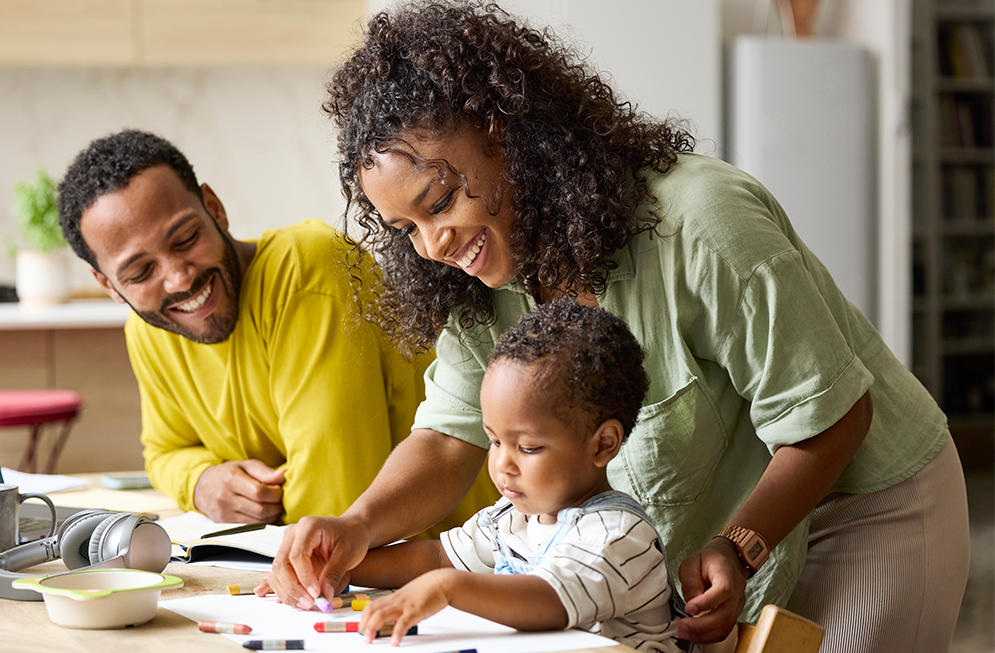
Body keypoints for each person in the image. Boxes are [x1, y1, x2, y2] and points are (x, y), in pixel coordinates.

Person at [264, 2, 970, 652]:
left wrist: (739, 542)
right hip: (727, 545)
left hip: (865, 504)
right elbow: (449, 438)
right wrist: (355, 527)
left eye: (441, 200)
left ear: (501, 129)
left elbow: (832, 415)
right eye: (405, 228)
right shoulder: (480, 278)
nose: (433, 244)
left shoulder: (702, 223)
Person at [56, 128, 498, 530]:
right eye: (139, 271)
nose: (178, 279)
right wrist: (201, 482)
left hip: (452, 563)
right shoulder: (150, 326)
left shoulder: (308, 269)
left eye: (186, 238)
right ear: (109, 286)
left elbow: (333, 506)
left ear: (214, 208)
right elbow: (164, 452)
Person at [344, 298, 691, 652]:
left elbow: (550, 601)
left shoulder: (618, 536)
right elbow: (438, 558)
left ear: (603, 444)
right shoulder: (509, 519)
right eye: (494, 441)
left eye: (527, 448)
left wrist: (446, 588)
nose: (502, 465)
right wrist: (345, 565)